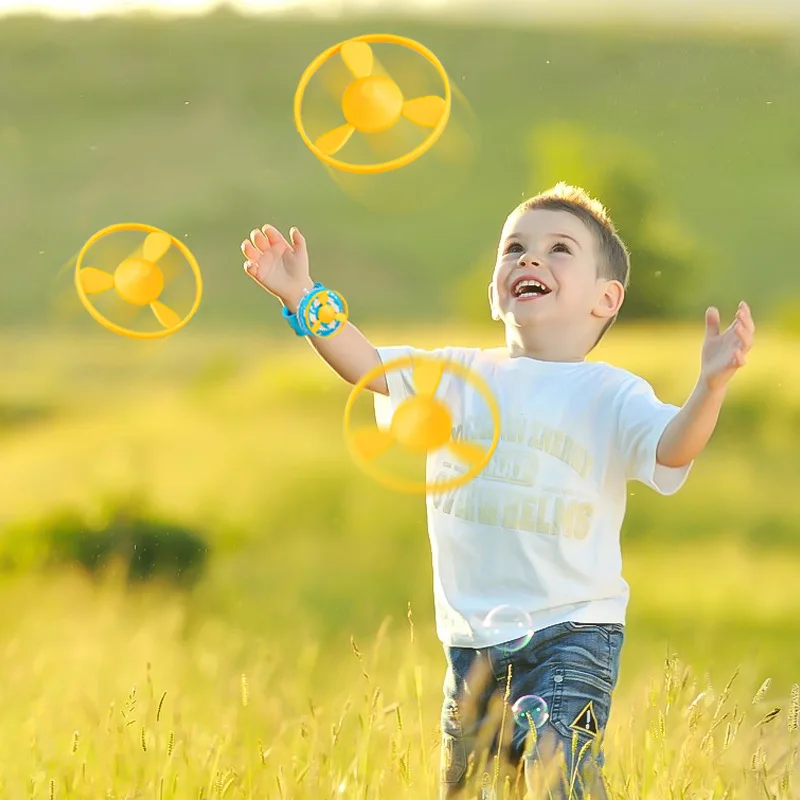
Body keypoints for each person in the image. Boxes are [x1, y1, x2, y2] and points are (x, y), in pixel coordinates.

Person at [240, 183, 755, 799]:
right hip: (471, 640)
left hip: (573, 630)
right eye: (515, 248)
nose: (530, 260)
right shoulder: (458, 376)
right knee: (473, 788)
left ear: (605, 298)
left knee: (556, 779)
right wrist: (302, 295)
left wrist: (711, 387)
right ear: (494, 292)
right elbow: (366, 363)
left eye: (558, 249)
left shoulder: (612, 393)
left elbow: (673, 447)